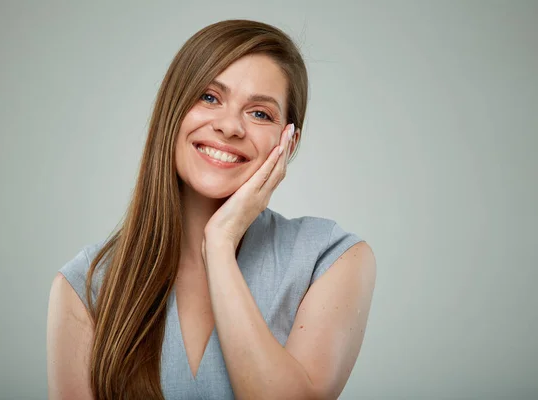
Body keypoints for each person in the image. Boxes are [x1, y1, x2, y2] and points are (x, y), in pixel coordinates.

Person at [46, 19, 376, 400]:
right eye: (209, 97)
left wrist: (219, 245)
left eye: (260, 114)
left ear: (288, 142)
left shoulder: (333, 260)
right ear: (172, 107)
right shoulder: (86, 287)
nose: (230, 126)